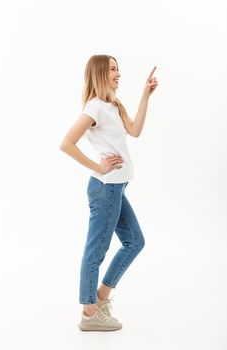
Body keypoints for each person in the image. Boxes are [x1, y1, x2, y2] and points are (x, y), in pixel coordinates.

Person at [60, 54, 158, 331]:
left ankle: (101, 296)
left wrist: (145, 95)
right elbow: (66, 143)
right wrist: (98, 166)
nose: (117, 73)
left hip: (117, 187)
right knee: (96, 250)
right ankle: (89, 312)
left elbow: (135, 130)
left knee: (135, 241)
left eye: (118, 69)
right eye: (112, 69)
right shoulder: (95, 108)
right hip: (105, 188)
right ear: (100, 74)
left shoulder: (113, 105)